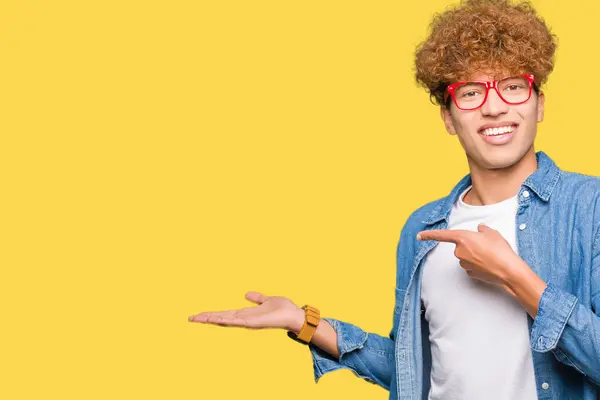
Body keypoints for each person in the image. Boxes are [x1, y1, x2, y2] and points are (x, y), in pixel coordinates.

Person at [188, 0, 600, 398]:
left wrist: (516, 276)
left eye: (513, 87)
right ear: (448, 117)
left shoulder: (589, 207)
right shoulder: (422, 230)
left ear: (539, 104)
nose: (494, 107)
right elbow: (409, 370)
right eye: (471, 92)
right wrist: (306, 323)